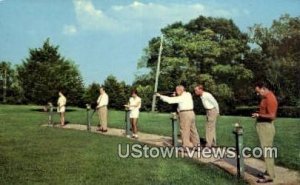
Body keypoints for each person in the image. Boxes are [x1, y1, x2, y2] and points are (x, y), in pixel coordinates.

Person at [252, 82, 278, 183]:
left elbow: (272, 116)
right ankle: (268, 171)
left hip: (266, 127)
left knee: (267, 150)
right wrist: (259, 114)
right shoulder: (265, 97)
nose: (258, 94)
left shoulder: (270, 98)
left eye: (258, 92)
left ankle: (270, 176)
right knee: (266, 150)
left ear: (263, 89)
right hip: (262, 126)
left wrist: (259, 116)